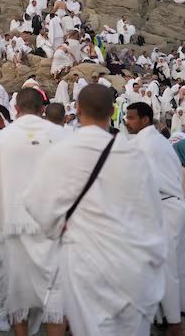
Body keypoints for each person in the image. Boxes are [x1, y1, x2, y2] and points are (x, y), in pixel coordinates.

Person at [25, 85, 167, 336]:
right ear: (113, 112)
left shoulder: (61, 153)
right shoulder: (133, 154)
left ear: (77, 109)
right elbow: (152, 215)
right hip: (130, 263)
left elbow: (37, 205)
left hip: (84, 262)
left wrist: (58, 227)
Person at [0, 89, 65, 336]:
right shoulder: (61, 135)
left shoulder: (3, 139)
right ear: (42, 109)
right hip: (53, 226)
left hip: (15, 227)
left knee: (19, 295)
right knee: (55, 296)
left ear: (15, 109)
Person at [125, 102, 185, 336]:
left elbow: (139, 181)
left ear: (145, 120)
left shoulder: (144, 144)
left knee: (165, 266)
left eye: (131, 118)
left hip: (164, 207)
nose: (127, 122)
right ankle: (176, 311)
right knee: (178, 265)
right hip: (175, 204)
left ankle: (173, 324)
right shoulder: (157, 139)